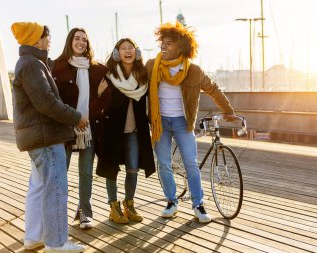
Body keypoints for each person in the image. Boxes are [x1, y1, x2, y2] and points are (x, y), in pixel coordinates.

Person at [146, 22, 236, 223]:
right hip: (160, 123)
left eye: (169, 43)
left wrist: (228, 110)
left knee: (191, 164)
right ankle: (171, 201)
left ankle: (198, 204)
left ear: (181, 47)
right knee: (164, 164)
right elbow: (135, 81)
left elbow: (212, 89)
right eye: (162, 42)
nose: (164, 46)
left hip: (182, 123)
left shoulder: (193, 71)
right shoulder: (152, 66)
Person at [11, 22, 85, 252]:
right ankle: (56, 242)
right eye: (47, 36)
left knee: (39, 188)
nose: (50, 40)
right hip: (46, 138)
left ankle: (33, 237)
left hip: (36, 138)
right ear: (36, 39)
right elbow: (46, 103)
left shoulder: (29, 63)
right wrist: (76, 117)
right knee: (55, 189)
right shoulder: (32, 65)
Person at [51, 28, 111, 230]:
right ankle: (58, 213)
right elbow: (54, 99)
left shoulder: (98, 69)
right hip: (65, 127)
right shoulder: (57, 67)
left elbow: (105, 98)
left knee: (86, 172)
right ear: (70, 41)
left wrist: (87, 115)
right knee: (62, 171)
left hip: (90, 127)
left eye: (84, 39)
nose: (81, 42)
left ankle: (85, 212)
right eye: (77, 38)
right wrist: (74, 118)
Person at [96, 38, 155, 224]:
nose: (127, 51)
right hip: (113, 129)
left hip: (136, 129)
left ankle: (129, 205)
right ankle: (113, 207)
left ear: (136, 52)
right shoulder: (109, 74)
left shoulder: (143, 75)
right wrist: (98, 94)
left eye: (131, 48)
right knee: (111, 168)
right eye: (123, 48)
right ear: (117, 53)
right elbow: (100, 100)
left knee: (133, 168)